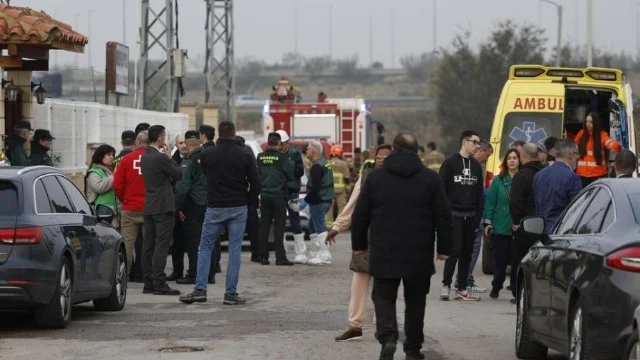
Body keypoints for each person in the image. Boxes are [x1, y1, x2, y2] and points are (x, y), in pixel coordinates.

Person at [351, 131, 452, 360]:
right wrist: (444, 248)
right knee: (416, 301)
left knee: (383, 296)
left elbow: (361, 215)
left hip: (384, 250)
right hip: (419, 251)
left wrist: (359, 246)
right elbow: (443, 216)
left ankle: (387, 337)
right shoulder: (430, 178)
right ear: (417, 151)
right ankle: (413, 349)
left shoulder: (376, 178)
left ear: (394, 149)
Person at [179, 121, 260, 305]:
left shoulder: (207, 154)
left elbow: (206, 174)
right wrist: (248, 200)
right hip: (238, 206)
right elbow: (256, 183)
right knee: (234, 250)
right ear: (233, 134)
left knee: (205, 247)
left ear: (219, 135)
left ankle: (200, 289)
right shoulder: (245, 153)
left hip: (215, 206)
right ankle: (230, 294)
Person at [327, 144, 392, 342]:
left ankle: (381, 327)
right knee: (359, 284)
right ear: (373, 157)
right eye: (379, 156)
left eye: (386, 156)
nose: (382, 159)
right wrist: (338, 226)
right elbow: (352, 203)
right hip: (366, 238)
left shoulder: (398, 179)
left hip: (389, 240)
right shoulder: (366, 176)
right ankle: (355, 326)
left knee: (384, 286)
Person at [439, 130, 484, 302]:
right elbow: (441, 190)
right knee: (454, 251)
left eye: (478, 143)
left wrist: (478, 215)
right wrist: (444, 215)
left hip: (471, 216)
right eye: (475, 142)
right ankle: (446, 285)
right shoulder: (450, 163)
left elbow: (479, 193)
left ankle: (462, 288)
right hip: (454, 215)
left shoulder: (476, 166)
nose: (477, 146)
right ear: (464, 142)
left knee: (467, 253)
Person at [140, 124, 182, 296]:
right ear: (160, 138)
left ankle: (148, 282)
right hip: (163, 206)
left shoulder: (145, 156)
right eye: (164, 137)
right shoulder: (160, 157)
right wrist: (169, 157)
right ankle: (159, 282)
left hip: (149, 205)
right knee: (161, 245)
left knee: (148, 245)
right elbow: (178, 174)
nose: (165, 140)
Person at [174, 130, 216, 284]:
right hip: (210, 203)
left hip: (193, 205)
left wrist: (177, 206)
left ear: (188, 145)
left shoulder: (189, 161)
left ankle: (193, 274)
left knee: (193, 242)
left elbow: (182, 187)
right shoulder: (211, 156)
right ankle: (210, 274)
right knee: (209, 240)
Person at [509, 143, 544, 303]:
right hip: (543, 224)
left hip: (525, 225)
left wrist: (516, 221)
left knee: (520, 259)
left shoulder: (521, 176)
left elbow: (515, 201)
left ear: (524, 156)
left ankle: (519, 292)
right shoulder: (544, 173)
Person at [483, 148, 520, 299]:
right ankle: (496, 286)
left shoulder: (523, 179)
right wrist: (487, 223)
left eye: (515, 158)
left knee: (517, 261)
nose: (512, 160)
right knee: (500, 261)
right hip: (500, 226)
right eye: (509, 158)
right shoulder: (498, 180)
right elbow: (490, 203)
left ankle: (515, 291)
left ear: (519, 160)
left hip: (517, 227)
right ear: (505, 161)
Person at [113, 130, 149, 274]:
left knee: (127, 243)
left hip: (130, 207)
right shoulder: (156, 158)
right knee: (149, 243)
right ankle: (148, 274)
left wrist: (124, 199)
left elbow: (117, 184)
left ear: (137, 141)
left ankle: (124, 274)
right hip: (149, 207)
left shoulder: (126, 159)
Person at [257, 132, 294, 266]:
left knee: (264, 227)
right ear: (278, 144)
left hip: (265, 196)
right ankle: (280, 258)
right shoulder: (281, 158)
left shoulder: (260, 157)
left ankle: (263, 257)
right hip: (278, 196)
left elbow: (257, 175)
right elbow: (290, 175)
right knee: (279, 227)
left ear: (268, 142)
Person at [461, 139, 492, 294]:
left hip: (469, 214)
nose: (486, 159)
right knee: (472, 250)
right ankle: (465, 281)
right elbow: (476, 193)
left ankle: (466, 280)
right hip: (473, 215)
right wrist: (490, 193)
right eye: (486, 155)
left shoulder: (470, 165)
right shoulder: (474, 167)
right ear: (481, 151)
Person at [533, 139, 583, 234]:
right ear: (571, 155)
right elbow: (577, 210)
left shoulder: (539, 175)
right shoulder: (572, 177)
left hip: (542, 232)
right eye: (577, 154)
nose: (578, 157)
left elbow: (538, 206)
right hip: (562, 232)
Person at [298, 141, 334, 266]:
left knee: (320, 228)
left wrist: (304, 201)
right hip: (325, 200)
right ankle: (315, 253)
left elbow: (315, 188)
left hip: (319, 201)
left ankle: (325, 255)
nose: (306, 152)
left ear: (313, 151)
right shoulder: (324, 163)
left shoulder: (316, 167)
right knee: (312, 225)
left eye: (307, 150)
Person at [275, 129, 306, 264]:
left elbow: (299, 171)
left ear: (287, 142)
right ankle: (282, 250)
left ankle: (300, 251)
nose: (280, 146)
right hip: (278, 190)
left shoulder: (295, 155)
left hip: (292, 190)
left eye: (282, 143)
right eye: (278, 143)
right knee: (279, 220)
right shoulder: (273, 154)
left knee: (295, 219)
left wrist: (286, 167)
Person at [574, 112, 621, 187]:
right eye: (586, 121)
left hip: (598, 176)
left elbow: (609, 143)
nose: (588, 124)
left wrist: (616, 145)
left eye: (590, 122)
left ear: (596, 123)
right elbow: (573, 147)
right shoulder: (581, 133)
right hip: (582, 176)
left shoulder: (602, 135)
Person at [198, 124, 222, 273]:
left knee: (206, 236)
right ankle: (216, 263)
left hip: (205, 197)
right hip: (218, 196)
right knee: (216, 234)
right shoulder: (218, 151)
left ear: (203, 135)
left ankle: (209, 267)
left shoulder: (203, 153)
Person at [168, 133, 190, 282]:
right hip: (176, 207)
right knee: (177, 243)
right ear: (176, 145)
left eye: (185, 143)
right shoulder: (172, 161)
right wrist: (177, 208)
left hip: (192, 206)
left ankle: (195, 271)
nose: (183, 146)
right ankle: (177, 271)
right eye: (180, 143)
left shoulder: (194, 159)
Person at [235, 135, 261, 262]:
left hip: (229, 199)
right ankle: (256, 253)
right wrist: (251, 198)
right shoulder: (248, 156)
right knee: (253, 228)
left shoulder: (231, 157)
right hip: (245, 197)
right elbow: (255, 181)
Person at [85, 144, 119, 227]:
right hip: (100, 214)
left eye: (113, 155)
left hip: (111, 213)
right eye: (108, 155)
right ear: (100, 156)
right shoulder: (93, 172)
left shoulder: (108, 171)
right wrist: (114, 176)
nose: (112, 157)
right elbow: (99, 188)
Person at [327, 144, 351, 227]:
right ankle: (339, 225)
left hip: (329, 190)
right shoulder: (343, 164)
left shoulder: (327, 163)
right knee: (342, 207)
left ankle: (329, 225)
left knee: (329, 208)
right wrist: (348, 189)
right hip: (341, 190)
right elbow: (347, 178)